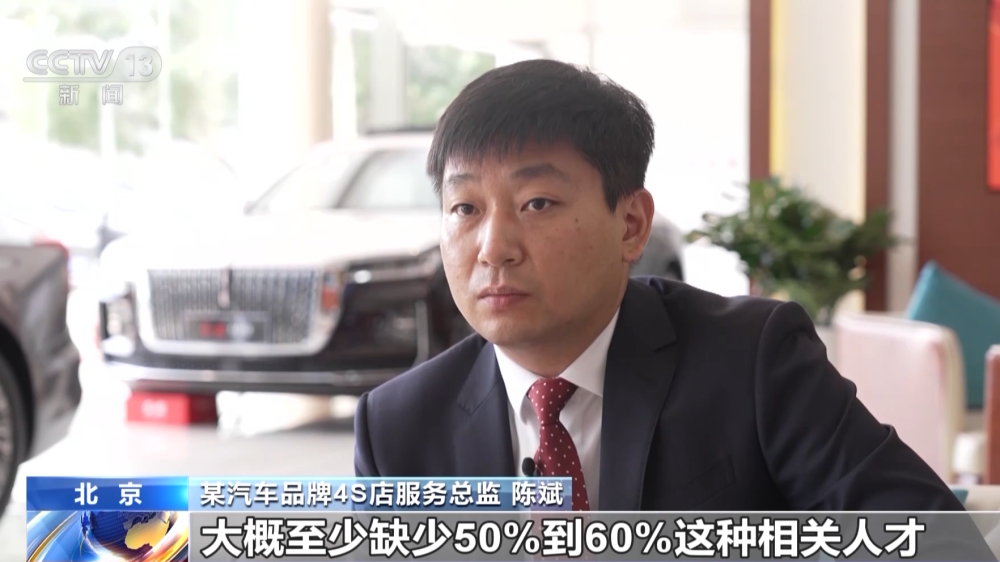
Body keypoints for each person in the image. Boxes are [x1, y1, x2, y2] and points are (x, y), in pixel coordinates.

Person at [353, 59, 966, 512]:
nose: (494, 248)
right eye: (465, 208)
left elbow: (929, 539)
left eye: (537, 202)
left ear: (631, 224)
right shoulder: (398, 428)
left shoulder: (753, 363)